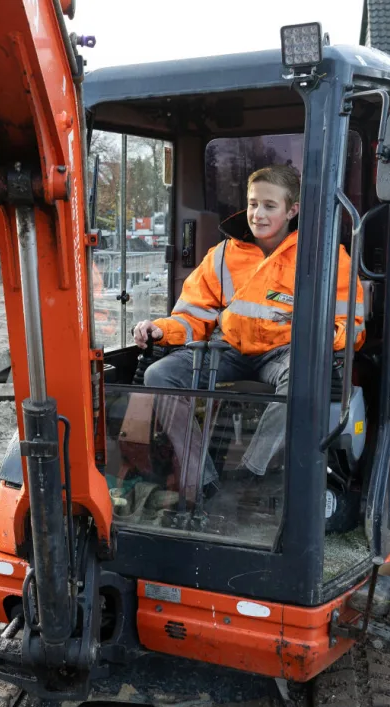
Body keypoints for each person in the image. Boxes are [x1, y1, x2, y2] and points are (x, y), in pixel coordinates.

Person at [135, 164, 363, 503]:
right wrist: (160, 329)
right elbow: (192, 317)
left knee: (304, 375)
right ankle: (201, 478)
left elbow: (351, 326)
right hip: (230, 349)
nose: (258, 213)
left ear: (292, 210)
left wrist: (318, 341)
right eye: (253, 203)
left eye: (270, 206)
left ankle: (251, 474)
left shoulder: (326, 257)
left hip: (285, 352)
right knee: (160, 374)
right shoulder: (223, 255)